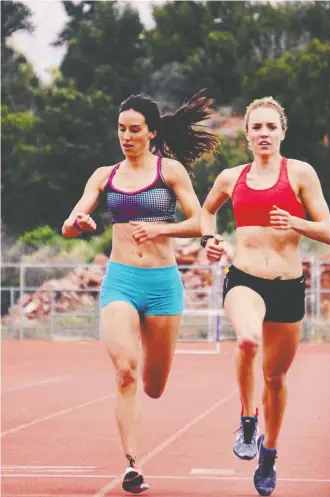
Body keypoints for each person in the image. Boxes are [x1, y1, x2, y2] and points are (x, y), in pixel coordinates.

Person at [62, 91, 218, 494]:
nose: (126, 137)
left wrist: (160, 228)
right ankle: (132, 466)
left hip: (164, 286)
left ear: (151, 132)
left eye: (134, 130)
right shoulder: (104, 175)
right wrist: (79, 221)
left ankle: (151, 355)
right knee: (126, 371)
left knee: (154, 385)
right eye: (121, 129)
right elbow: (69, 223)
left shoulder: (171, 172)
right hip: (121, 282)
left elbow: (200, 221)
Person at [200, 96, 330, 496]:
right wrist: (209, 239)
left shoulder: (301, 173)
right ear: (246, 135)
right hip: (244, 277)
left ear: (282, 133)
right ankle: (247, 420)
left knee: (275, 378)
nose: (263, 134)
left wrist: (294, 220)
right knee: (246, 339)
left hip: (288, 286)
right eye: (256, 127)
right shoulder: (230, 178)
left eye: (270, 127)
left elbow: (327, 231)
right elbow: (207, 212)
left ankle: (269, 453)